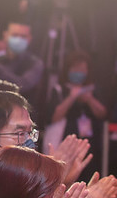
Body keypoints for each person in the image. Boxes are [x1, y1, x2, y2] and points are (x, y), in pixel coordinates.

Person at [45, 50, 108, 182]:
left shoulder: (93, 89)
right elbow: (54, 117)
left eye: (82, 69)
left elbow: (103, 114)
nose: (79, 72)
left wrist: (89, 99)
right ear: (68, 69)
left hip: (90, 145)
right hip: (65, 143)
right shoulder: (59, 89)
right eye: (75, 68)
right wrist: (72, 97)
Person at [0, 20, 44, 107]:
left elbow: (23, 85)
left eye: (23, 36)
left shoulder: (34, 63)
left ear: (29, 39)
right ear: (5, 35)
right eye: (15, 35)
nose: (18, 40)